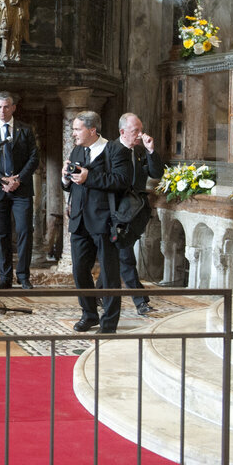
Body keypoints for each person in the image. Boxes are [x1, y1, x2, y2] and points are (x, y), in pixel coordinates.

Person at [62, 111, 131, 334]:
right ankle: (89, 315)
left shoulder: (116, 150)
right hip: (79, 221)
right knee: (79, 270)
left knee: (109, 274)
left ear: (92, 130)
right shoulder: (77, 150)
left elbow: (122, 180)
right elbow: (72, 184)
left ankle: (109, 323)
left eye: (77, 129)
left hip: (105, 221)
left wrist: (88, 177)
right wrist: (65, 178)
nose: (73, 133)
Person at [0, 92, 39, 289]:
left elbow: (34, 158)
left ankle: (23, 276)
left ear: (13, 107)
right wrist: (2, 179)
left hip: (22, 189)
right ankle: (5, 277)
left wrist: (18, 179)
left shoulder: (25, 130)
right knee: (1, 234)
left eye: (6, 107)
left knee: (24, 231)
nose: (2, 111)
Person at [115, 113, 164, 316]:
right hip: (118, 214)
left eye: (140, 130)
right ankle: (141, 301)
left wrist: (151, 150)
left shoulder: (140, 151)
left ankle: (98, 293)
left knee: (118, 256)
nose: (140, 135)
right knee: (125, 256)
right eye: (136, 131)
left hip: (136, 213)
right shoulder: (112, 150)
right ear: (123, 132)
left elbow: (156, 173)